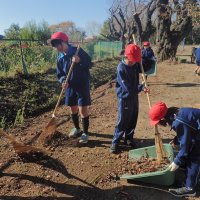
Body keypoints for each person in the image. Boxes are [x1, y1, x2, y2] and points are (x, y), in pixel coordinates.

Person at [149, 102, 200, 197]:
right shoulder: (176, 114)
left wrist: (177, 161)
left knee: (194, 157)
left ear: (162, 118)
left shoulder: (179, 122)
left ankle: (189, 188)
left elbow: (186, 146)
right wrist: (176, 140)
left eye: (158, 122)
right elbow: (189, 129)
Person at [50, 32, 92, 143]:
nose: (56, 47)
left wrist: (80, 60)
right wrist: (63, 80)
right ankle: (77, 128)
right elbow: (60, 73)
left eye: (57, 44)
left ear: (63, 42)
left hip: (82, 85)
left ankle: (85, 133)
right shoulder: (60, 58)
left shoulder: (77, 51)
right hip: (70, 86)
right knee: (72, 108)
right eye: (54, 45)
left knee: (83, 109)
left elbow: (89, 63)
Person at [110, 44, 150, 153]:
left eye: (135, 61)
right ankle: (116, 141)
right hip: (125, 97)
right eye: (131, 61)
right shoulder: (121, 69)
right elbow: (128, 88)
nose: (133, 63)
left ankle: (129, 138)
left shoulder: (135, 65)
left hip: (134, 97)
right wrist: (141, 87)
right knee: (123, 120)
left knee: (133, 117)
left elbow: (147, 67)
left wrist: (143, 86)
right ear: (126, 57)